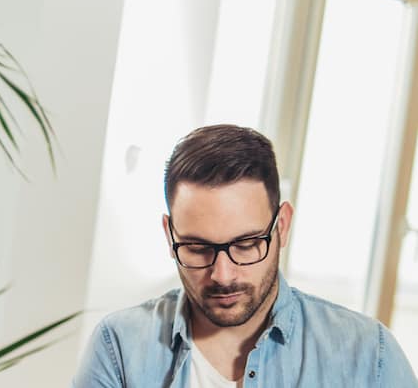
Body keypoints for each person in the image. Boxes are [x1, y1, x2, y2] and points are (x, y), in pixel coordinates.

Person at [73, 124, 418, 387]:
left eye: (246, 244)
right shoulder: (119, 346)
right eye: (197, 248)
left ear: (281, 226)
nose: (223, 275)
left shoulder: (368, 355)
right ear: (169, 234)